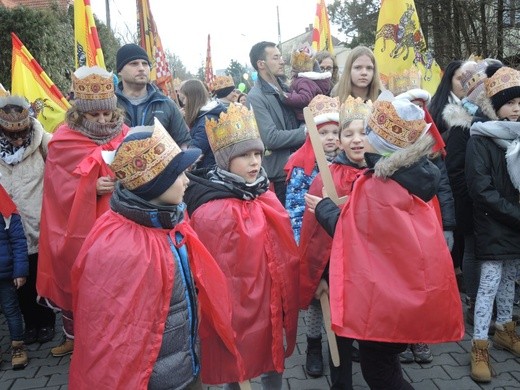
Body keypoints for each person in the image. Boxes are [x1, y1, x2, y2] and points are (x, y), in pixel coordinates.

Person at [306, 92, 464, 389]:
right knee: (386, 365)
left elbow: (353, 231)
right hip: (403, 292)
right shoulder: (412, 174)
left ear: (379, 144)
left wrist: (324, 208)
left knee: (379, 373)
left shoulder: (378, 185)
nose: (359, 139)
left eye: (366, 132)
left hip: (383, 301)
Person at [70, 120, 237, 389]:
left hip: (184, 363)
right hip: (152, 378)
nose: (187, 181)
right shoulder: (120, 245)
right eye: (179, 174)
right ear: (154, 184)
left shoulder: (171, 222)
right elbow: (114, 339)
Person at [184, 103, 299, 389]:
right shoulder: (211, 208)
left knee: (272, 355)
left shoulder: (266, 195)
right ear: (225, 160)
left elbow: (284, 249)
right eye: (244, 155)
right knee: (235, 360)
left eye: (258, 154)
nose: (254, 162)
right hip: (235, 306)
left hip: (269, 298)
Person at [37, 66, 129, 358]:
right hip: (79, 229)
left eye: (108, 114)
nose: (103, 121)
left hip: (122, 224)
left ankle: (114, 337)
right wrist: (90, 187)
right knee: (75, 278)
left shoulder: (126, 135)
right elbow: (57, 188)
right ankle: (74, 337)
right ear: (79, 114)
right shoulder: (64, 140)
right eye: (94, 115)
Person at [300, 95, 372, 389]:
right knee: (339, 341)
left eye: (363, 132)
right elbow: (314, 234)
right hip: (339, 275)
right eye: (348, 133)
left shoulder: (381, 175)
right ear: (339, 141)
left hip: (371, 276)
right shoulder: (327, 178)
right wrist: (319, 276)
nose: (356, 140)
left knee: (371, 342)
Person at [466, 64, 520, 383]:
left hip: (514, 225)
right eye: (511, 102)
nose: (517, 108)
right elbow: (481, 190)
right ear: (496, 104)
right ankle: (479, 346)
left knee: (510, 280)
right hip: (492, 224)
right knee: (488, 284)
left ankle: (505, 330)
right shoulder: (481, 138)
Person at [284, 94, 339, 378]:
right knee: (319, 299)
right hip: (315, 242)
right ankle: (314, 345)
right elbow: (294, 210)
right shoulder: (302, 165)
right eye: (323, 132)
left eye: (334, 132)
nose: (330, 138)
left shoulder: (346, 162)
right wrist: (298, 245)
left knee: (340, 294)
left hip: (339, 240)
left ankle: (341, 342)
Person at [442, 60, 495, 329]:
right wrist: (475, 199)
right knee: (474, 251)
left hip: (494, 203)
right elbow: (454, 169)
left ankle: (493, 303)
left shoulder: (500, 120)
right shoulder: (463, 124)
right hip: (473, 203)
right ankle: (475, 304)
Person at [0, 95, 56, 345]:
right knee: (17, 280)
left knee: (37, 276)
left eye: (22, 133)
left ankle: (45, 322)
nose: (19, 140)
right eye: (12, 136)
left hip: (38, 222)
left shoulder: (44, 141)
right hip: (8, 226)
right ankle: (30, 323)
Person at [248, 41, 307, 204]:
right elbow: (270, 138)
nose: (282, 61)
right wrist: (306, 132)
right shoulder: (256, 97)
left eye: (281, 56)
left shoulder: (288, 90)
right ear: (261, 64)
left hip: (302, 167)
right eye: (276, 57)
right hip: (281, 175)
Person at [115, 43, 191, 148]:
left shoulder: (166, 104)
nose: (141, 68)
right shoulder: (109, 105)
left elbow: (184, 142)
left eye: (145, 64)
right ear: (120, 71)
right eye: (134, 64)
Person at [0, 181, 29, 370]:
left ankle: (18, 346)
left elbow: (18, 240)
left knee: (11, 310)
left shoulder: (7, 211)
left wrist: (19, 271)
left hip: (5, 273)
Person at [179, 79, 226, 168]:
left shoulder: (207, 120)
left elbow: (194, 152)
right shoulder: (204, 116)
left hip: (206, 172)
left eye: (184, 98)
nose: (184, 103)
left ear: (193, 97)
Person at [283, 44, 332, 124]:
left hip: (306, 119)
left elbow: (305, 98)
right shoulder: (308, 80)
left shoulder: (304, 81)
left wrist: (286, 97)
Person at [428, 60, 464, 138]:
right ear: (449, 80)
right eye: (460, 79)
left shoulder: (473, 105)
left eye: (467, 79)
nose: (464, 83)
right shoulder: (436, 107)